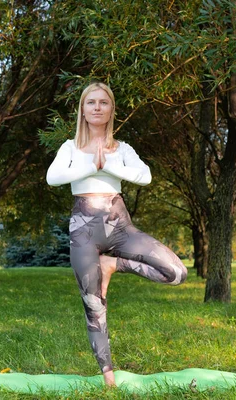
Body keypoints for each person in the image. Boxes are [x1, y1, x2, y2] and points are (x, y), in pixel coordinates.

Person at [46, 82, 188, 386]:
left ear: (111, 110)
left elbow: (145, 176)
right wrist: (89, 166)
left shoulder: (122, 149)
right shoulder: (70, 148)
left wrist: (108, 163)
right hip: (83, 232)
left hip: (121, 227)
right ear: (83, 111)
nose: (97, 107)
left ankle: (113, 264)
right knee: (94, 305)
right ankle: (108, 377)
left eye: (104, 103)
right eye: (91, 102)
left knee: (176, 272)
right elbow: (53, 177)